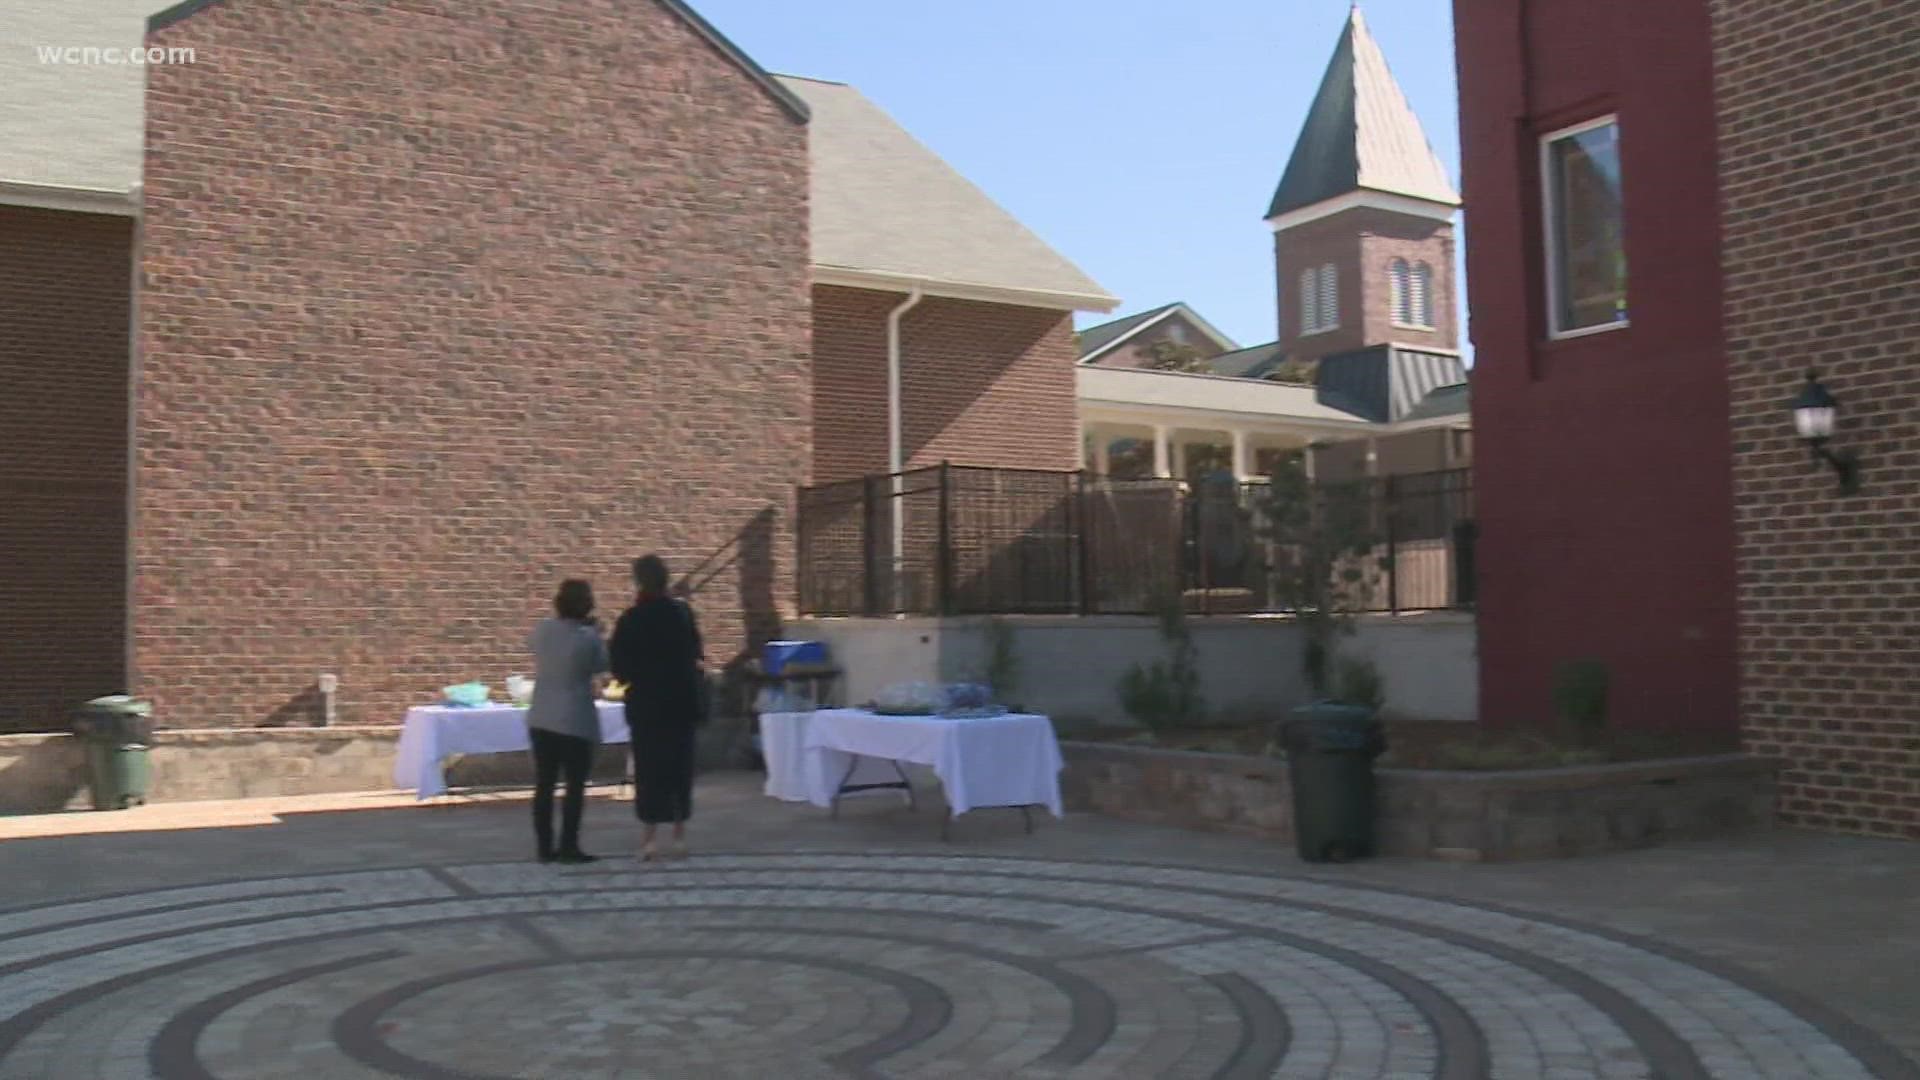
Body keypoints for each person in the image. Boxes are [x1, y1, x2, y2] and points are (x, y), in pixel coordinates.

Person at [609, 554, 705, 861]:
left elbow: (620, 669)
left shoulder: (630, 620)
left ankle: (649, 839)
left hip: (647, 706)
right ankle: (679, 836)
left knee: (649, 771)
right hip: (681, 703)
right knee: (680, 768)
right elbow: (696, 652)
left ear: (638, 581)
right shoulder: (682, 614)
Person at [524, 579, 608, 865]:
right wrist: (597, 632)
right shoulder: (587, 638)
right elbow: (601, 665)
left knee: (544, 784)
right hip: (574, 718)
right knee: (574, 786)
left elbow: (532, 646)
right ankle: (569, 845)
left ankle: (544, 847)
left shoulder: (543, 629)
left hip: (542, 715)